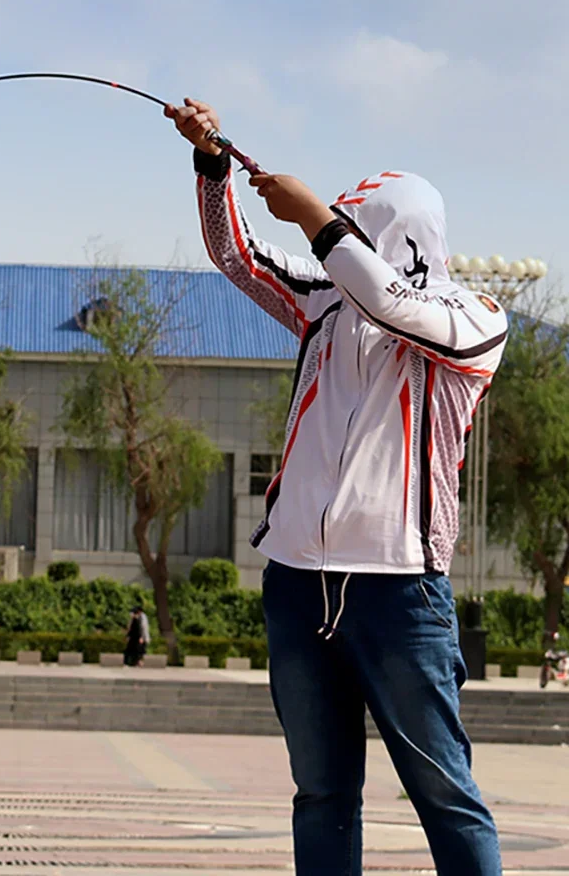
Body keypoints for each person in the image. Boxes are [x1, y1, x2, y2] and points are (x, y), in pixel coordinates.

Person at [165, 98, 507, 876]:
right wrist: (215, 163)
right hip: (296, 581)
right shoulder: (323, 306)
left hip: (400, 592)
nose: (335, 245)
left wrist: (316, 215)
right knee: (321, 792)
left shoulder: (472, 320)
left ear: (399, 237)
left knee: (444, 793)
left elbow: (391, 302)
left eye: (354, 227)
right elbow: (237, 258)